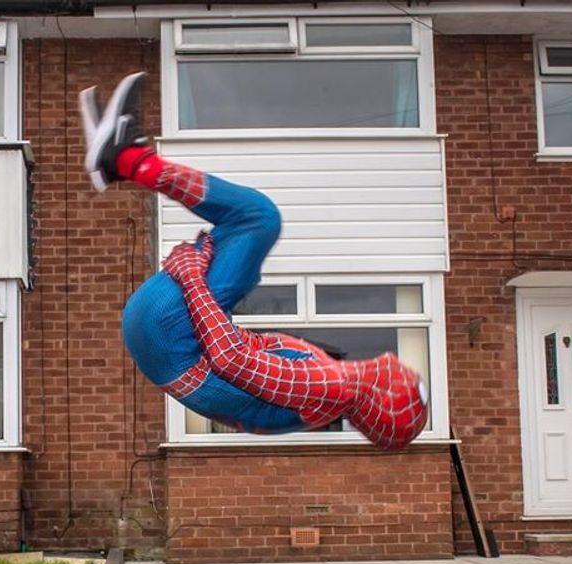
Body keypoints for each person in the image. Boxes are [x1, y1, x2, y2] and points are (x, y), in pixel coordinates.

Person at [80, 72, 429, 450]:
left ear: (384, 395)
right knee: (248, 255)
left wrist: (192, 277)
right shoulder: (328, 395)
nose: (401, 368)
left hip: (165, 331)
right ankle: (120, 160)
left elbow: (231, 359)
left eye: (405, 381)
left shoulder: (331, 386)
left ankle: (126, 158)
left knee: (258, 218)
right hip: (162, 342)